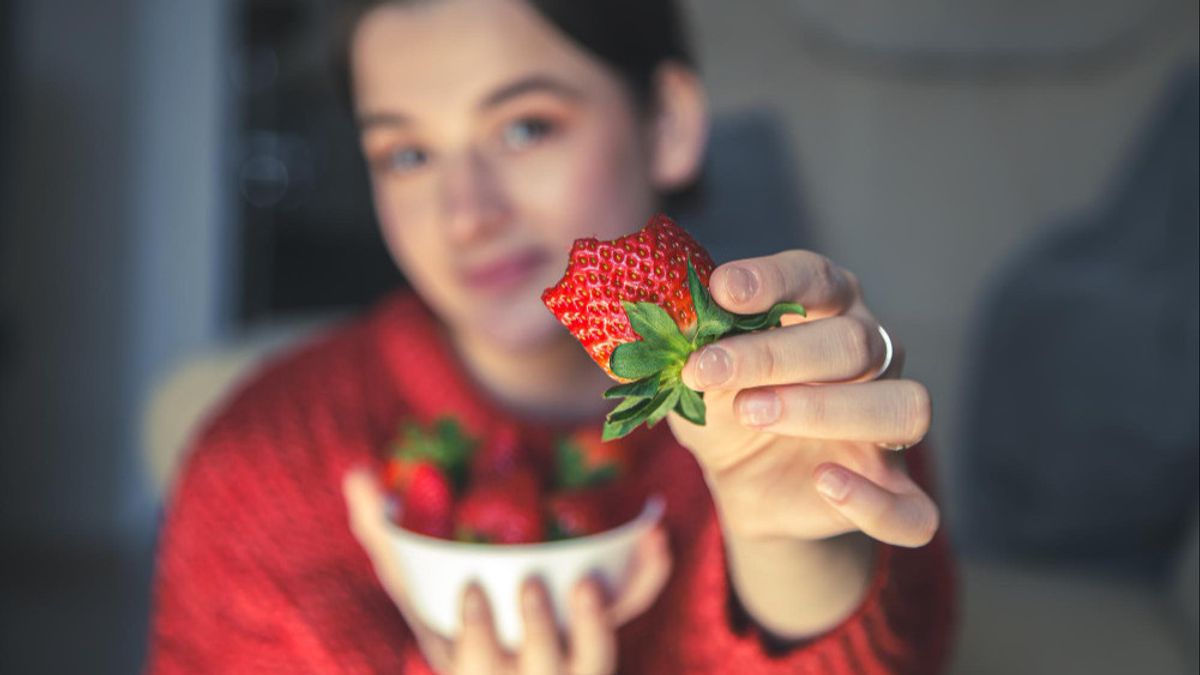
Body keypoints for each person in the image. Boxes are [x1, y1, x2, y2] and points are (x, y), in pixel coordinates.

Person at [147, 0, 954, 672]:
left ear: (668, 122)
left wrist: (793, 551)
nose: (466, 212)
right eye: (408, 153)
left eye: (526, 128)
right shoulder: (256, 464)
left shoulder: (815, 405)